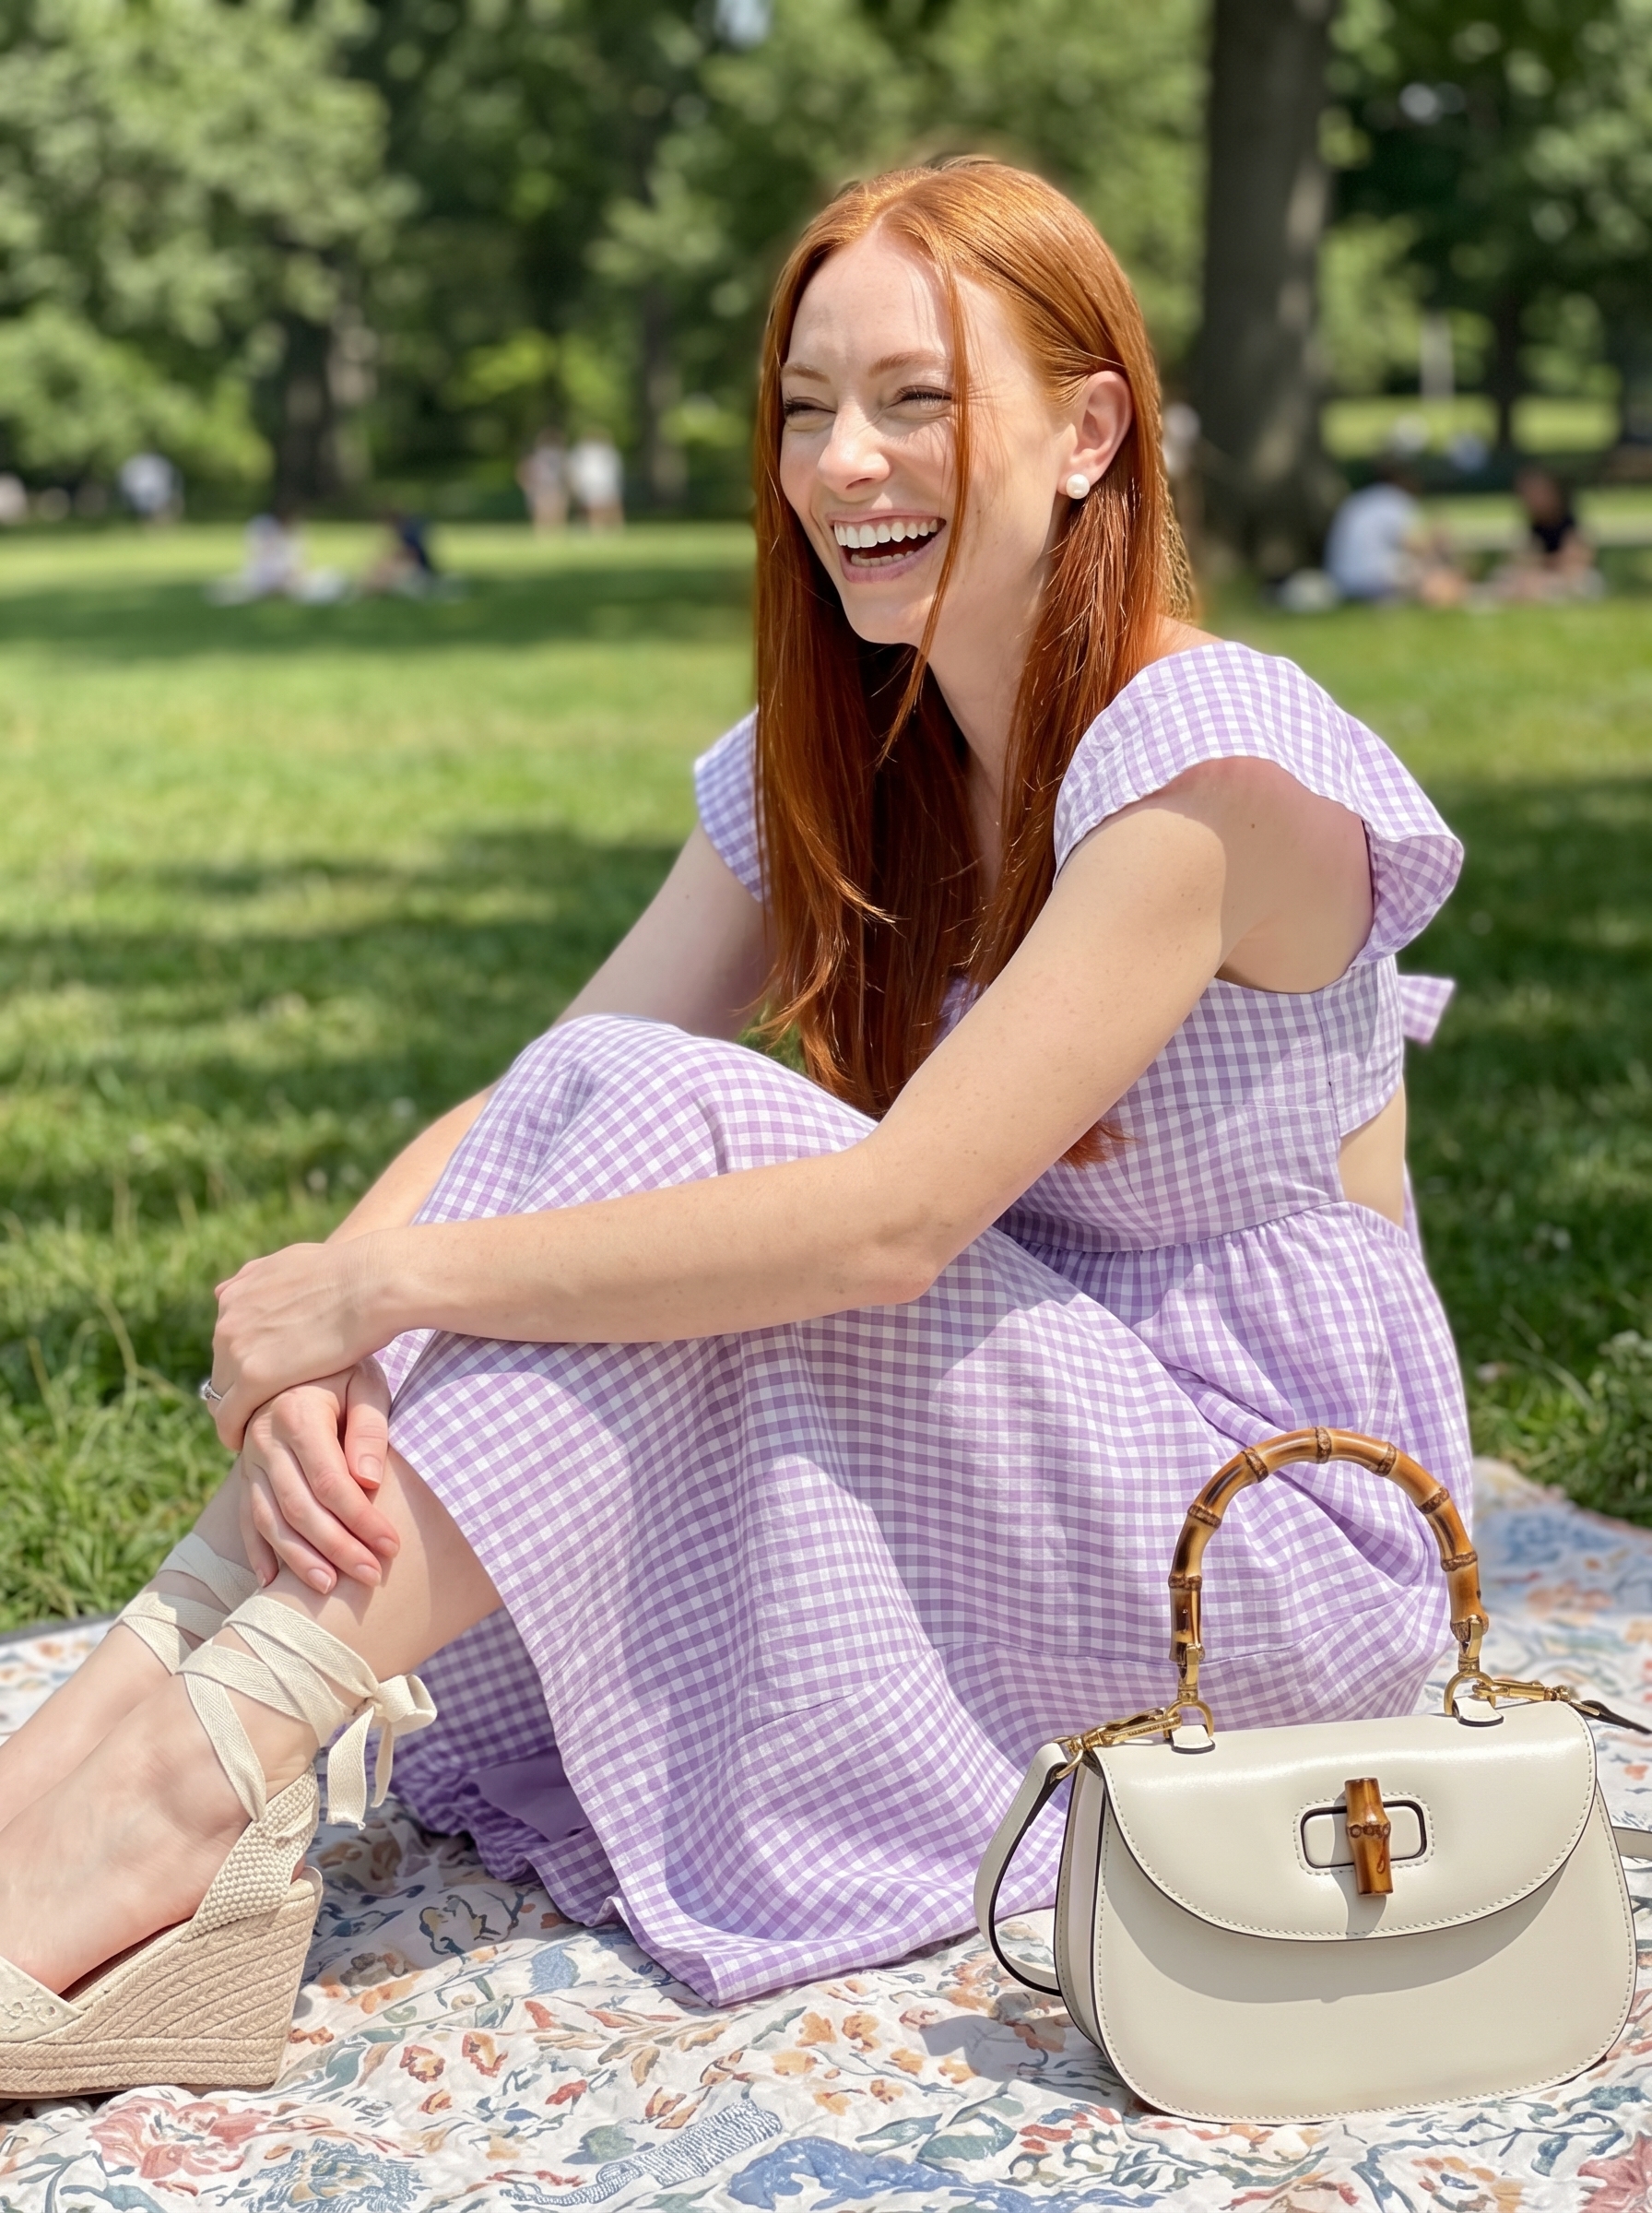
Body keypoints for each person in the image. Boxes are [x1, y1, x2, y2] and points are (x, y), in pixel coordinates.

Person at [0, 158, 1471, 2094]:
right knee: (617, 1114)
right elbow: (548, 1093)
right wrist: (317, 1338)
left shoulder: (1211, 766)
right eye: (801, 409)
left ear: (1089, 429)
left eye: (914, 401)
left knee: (697, 1143)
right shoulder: (841, 759)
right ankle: (117, 1747)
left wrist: (381, 1280)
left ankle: (168, 1802)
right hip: (1048, 1434)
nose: (843, 461)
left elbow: (889, 1226)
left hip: (1269, 1545)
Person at [1324, 458, 1464, 606]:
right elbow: (1416, 547)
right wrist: (1438, 539)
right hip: (1370, 578)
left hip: (1341, 579)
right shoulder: (1396, 500)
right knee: (1431, 572)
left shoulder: (1358, 498)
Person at [1493, 467, 1602, 601]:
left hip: (1564, 578)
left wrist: (1543, 562)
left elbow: (1578, 558)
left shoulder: (1568, 522)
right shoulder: (1531, 525)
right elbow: (1520, 559)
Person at [567, 432, 624, 528]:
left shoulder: (607, 452)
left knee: (610, 506)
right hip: (593, 482)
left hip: (602, 482)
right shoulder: (583, 452)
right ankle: (598, 528)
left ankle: (613, 528)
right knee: (594, 508)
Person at [517, 430, 569, 532]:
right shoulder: (540, 456)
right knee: (545, 513)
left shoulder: (557, 456)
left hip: (551, 486)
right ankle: (548, 535)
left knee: (552, 512)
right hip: (544, 486)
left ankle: (548, 536)